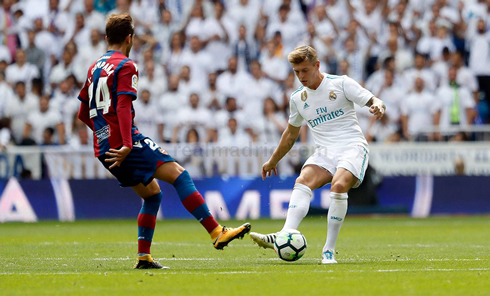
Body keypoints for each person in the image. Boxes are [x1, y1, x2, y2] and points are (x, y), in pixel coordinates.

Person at [76, 14, 251, 270]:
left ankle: (143, 257)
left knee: (152, 194)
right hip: (125, 144)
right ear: (130, 38)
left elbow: (83, 113)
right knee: (180, 175)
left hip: (104, 149)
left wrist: (105, 136)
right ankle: (216, 232)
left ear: (106, 38)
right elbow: (123, 105)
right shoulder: (126, 65)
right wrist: (125, 142)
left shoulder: (94, 68)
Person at [250, 45, 385, 264]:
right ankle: (284, 234)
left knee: (339, 186)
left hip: (352, 147)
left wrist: (378, 105)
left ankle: (328, 251)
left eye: (305, 70)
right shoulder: (298, 98)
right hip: (325, 152)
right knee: (302, 181)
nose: (301, 76)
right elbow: (290, 134)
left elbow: (373, 100)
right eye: (296, 72)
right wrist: (272, 160)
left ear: (317, 65)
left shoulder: (341, 84)